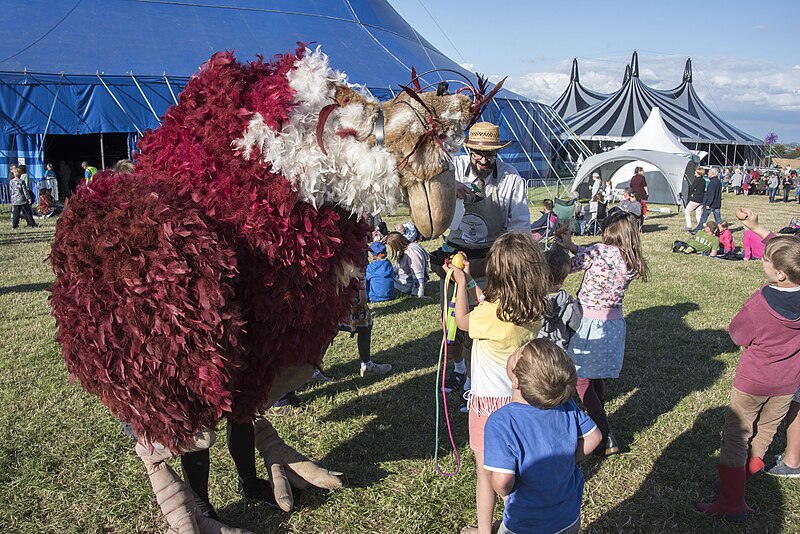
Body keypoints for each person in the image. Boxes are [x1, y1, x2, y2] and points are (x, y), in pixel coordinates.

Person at [696, 208, 800, 520]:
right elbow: (787, 253)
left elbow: (737, 334)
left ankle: (730, 503)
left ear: (779, 273)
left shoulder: (761, 302)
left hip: (753, 381)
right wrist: (758, 228)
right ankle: (739, 482)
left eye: (767, 260)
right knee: (766, 432)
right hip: (786, 384)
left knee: (736, 435)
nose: (763, 262)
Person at [449, 232, 550, 534]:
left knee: (485, 473)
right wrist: (468, 279)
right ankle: (519, 520)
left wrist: (457, 285)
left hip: (488, 409)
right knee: (516, 469)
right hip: (522, 404)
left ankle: (485, 531)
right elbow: (488, 306)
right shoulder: (532, 309)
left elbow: (465, 320)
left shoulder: (490, 314)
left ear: (497, 272)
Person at [432, 121, 530, 400]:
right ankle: (458, 368)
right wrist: (452, 187)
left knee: (484, 325)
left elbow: (520, 226)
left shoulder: (511, 179)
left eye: (490, 154)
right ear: (469, 149)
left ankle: (477, 378)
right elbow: (427, 186)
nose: (484, 159)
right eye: (478, 153)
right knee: (451, 322)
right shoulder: (453, 169)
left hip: (492, 260)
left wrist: (511, 264)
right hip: (456, 258)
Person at [484, 339, 601, 534]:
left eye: (516, 354)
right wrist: (563, 461)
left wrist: (504, 493)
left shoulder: (501, 422)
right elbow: (594, 437)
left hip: (526, 524)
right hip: (568, 517)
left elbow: (503, 480)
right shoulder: (566, 406)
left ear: (516, 381)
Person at [557, 211, 649, 456]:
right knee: (596, 377)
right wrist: (574, 247)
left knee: (582, 380)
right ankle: (600, 420)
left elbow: (570, 266)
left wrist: (563, 248)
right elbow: (588, 255)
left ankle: (604, 434)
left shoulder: (597, 251)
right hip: (614, 324)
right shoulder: (632, 259)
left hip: (588, 322)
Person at [538, 246, 582, 350]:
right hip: (559, 350)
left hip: (535, 348)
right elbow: (575, 325)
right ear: (562, 280)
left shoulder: (532, 298)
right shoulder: (567, 302)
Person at [386, 231, 429, 298]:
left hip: (408, 284)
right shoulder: (406, 248)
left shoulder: (413, 252)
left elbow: (418, 274)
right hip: (403, 279)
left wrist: (418, 293)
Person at [692, 167, 722, 235]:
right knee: (718, 219)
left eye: (709, 172)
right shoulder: (718, 182)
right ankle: (721, 231)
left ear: (713, 173)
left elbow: (711, 194)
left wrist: (708, 203)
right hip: (717, 203)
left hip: (711, 204)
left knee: (703, 218)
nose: (708, 173)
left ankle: (697, 230)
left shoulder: (713, 182)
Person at [683, 167, 706, 232]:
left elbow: (692, 188)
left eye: (695, 172)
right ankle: (700, 226)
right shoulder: (703, 180)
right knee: (699, 214)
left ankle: (689, 226)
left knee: (687, 211)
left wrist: (691, 193)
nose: (694, 173)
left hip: (696, 199)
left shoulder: (697, 180)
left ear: (698, 173)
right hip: (702, 199)